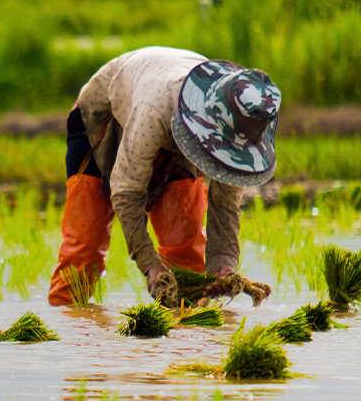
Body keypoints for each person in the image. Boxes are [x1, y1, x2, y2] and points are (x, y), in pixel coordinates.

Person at [47, 46, 280, 307]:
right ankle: (67, 332)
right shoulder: (155, 108)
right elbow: (126, 191)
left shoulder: (244, 124)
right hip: (109, 118)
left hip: (178, 130)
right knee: (84, 253)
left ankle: (184, 344)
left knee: (187, 263)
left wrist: (223, 264)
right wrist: (151, 266)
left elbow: (224, 203)